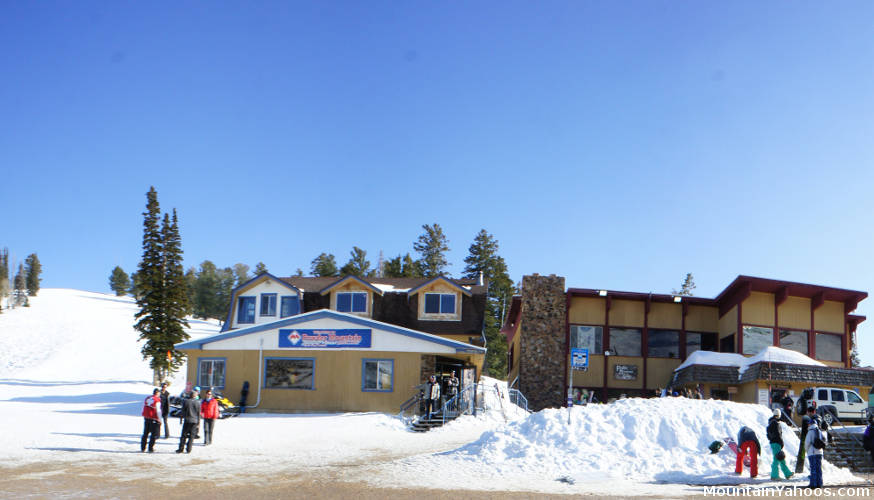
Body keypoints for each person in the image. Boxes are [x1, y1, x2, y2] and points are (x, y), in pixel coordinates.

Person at [766, 408, 793, 480]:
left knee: (781, 458)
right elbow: (778, 434)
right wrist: (781, 443)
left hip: (773, 442)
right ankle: (774, 475)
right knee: (776, 459)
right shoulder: (776, 423)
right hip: (777, 443)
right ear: (779, 415)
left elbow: (768, 435)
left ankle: (787, 473)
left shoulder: (770, 423)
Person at [804, 416, 827, 488]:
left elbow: (807, 443)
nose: (808, 425)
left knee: (813, 469)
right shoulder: (820, 431)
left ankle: (813, 484)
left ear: (811, 424)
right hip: (819, 452)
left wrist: (806, 450)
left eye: (809, 424)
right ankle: (819, 483)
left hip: (812, 452)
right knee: (818, 468)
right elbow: (824, 440)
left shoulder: (810, 431)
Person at [795, 403, 817, 474]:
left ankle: (799, 469)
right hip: (811, 440)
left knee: (803, 454)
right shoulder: (814, 419)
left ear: (808, 412)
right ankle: (801, 470)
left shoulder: (806, 418)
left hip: (805, 439)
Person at [140, 388, 162, 453]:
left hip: (146, 417)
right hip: (153, 418)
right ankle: (150, 448)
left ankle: (143, 447)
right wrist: (160, 419)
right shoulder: (157, 400)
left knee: (145, 433)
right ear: (157, 393)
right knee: (153, 434)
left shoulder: (148, 398)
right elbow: (158, 410)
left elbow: (144, 406)